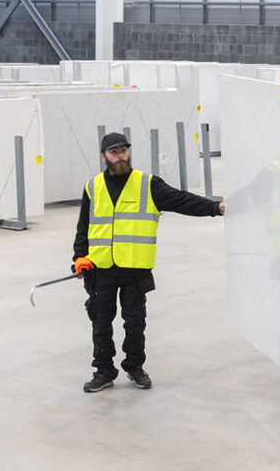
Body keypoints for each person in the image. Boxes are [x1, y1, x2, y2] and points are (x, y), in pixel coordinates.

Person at [72, 132, 225, 393]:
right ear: (103, 156)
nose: (120, 156)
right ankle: (104, 371)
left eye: (123, 151)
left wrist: (214, 207)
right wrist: (78, 258)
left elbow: (180, 200)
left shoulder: (147, 184)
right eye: (114, 152)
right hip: (101, 269)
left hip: (134, 269)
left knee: (134, 323)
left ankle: (134, 367)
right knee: (100, 322)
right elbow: (83, 226)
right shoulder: (92, 187)